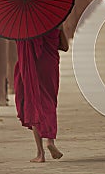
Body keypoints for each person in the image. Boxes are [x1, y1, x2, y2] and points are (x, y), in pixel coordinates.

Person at [14, 26, 68, 162]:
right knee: (49, 101)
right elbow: (65, 46)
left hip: (30, 64)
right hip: (49, 64)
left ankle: (40, 153)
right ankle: (50, 141)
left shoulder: (22, 25)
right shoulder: (54, 21)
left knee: (33, 100)